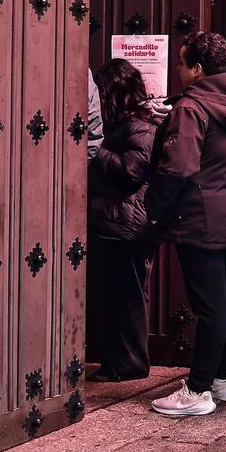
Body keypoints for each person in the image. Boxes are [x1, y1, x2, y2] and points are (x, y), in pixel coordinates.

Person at [147, 32, 226, 417]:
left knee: (208, 305)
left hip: (198, 214)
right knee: (223, 298)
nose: (177, 69)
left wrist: (155, 208)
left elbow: (178, 167)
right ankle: (224, 379)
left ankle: (196, 391)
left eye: (181, 63)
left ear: (197, 69)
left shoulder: (192, 108)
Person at [87, 59, 158, 382]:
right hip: (118, 221)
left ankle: (129, 363)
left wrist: (97, 151)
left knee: (127, 298)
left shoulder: (139, 126)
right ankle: (117, 361)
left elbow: (132, 171)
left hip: (126, 224)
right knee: (116, 296)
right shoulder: (127, 123)